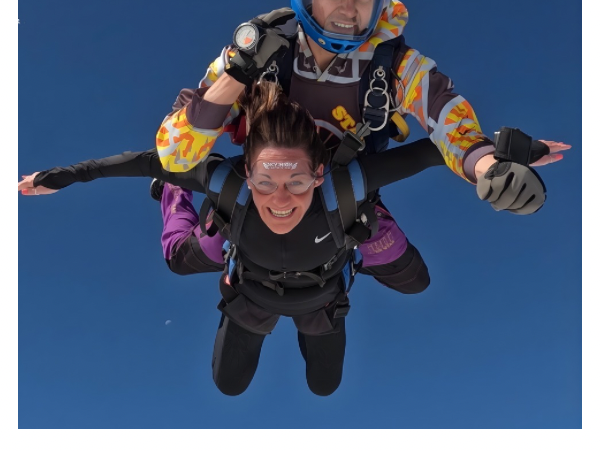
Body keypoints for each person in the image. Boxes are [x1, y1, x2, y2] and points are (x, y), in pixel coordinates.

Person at [18, 82, 557, 397]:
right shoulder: (230, 184)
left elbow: (439, 149)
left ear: (319, 175)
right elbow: (141, 162)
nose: (280, 199)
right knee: (219, 359)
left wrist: (503, 154)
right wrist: (63, 176)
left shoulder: (341, 185)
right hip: (251, 291)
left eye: (297, 182)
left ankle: (369, 220)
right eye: (266, 182)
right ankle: (178, 193)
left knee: (343, 365)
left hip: (322, 293)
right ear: (246, 172)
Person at [153, 0, 569, 284]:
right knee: (185, 258)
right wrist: (239, 74)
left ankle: (345, 257)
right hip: (266, 188)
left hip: (348, 190)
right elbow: (173, 152)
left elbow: (444, 112)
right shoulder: (263, 53)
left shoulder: (393, 64)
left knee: (411, 278)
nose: (348, 10)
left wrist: (488, 167)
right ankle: (175, 197)